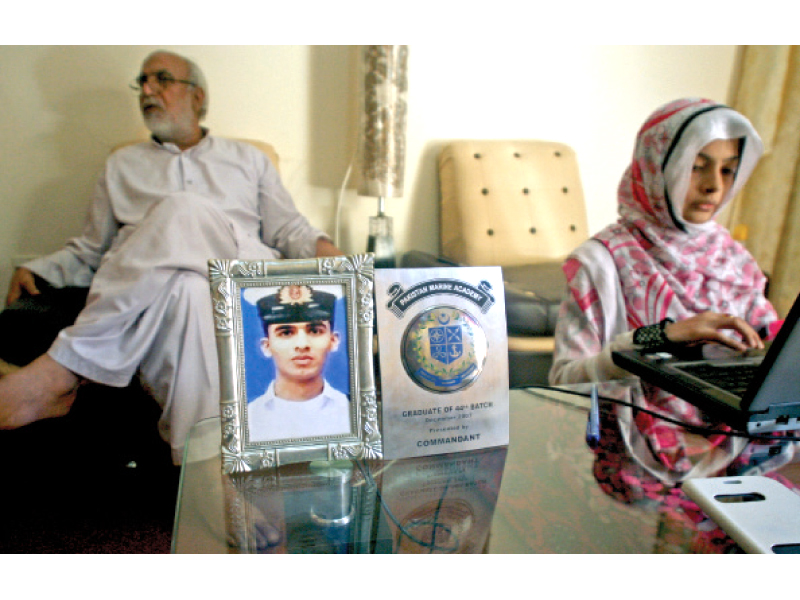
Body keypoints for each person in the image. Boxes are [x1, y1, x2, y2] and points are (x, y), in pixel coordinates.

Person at [0, 50, 342, 463]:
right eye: (142, 82)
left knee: (183, 209)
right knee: (186, 292)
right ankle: (206, 479)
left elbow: (289, 229)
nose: (147, 90)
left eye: (161, 79)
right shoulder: (122, 165)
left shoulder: (247, 159)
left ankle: (67, 368)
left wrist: (330, 253)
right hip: (159, 298)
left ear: (197, 96)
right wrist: (36, 267)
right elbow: (93, 248)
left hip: (237, 277)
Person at [549, 98, 780, 478]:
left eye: (728, 170)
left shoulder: (733, 260)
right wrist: (661, 336)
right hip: (629, 465)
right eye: (696, 167)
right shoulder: (600, 261)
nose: (713, 187)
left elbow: (771, 350)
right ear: (657, 166)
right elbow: (563, 383)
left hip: (736, 459)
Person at [247, 285, 350, 442]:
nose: (302, 344)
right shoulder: (248, 418)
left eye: (315, 331)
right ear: (267, 346)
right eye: (286, 333)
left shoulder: (352, 411)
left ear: (333, 341)